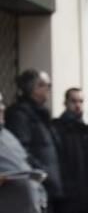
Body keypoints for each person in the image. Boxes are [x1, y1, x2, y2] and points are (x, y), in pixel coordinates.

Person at [6, 69, 63, 202]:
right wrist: (44, 174)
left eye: (49, 85)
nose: (48, 89)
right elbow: (21, 151)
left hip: (48, 187)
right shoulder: (19, 115)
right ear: (31, 89)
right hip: (36, 186)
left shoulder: (42, 115)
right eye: (43, 85)